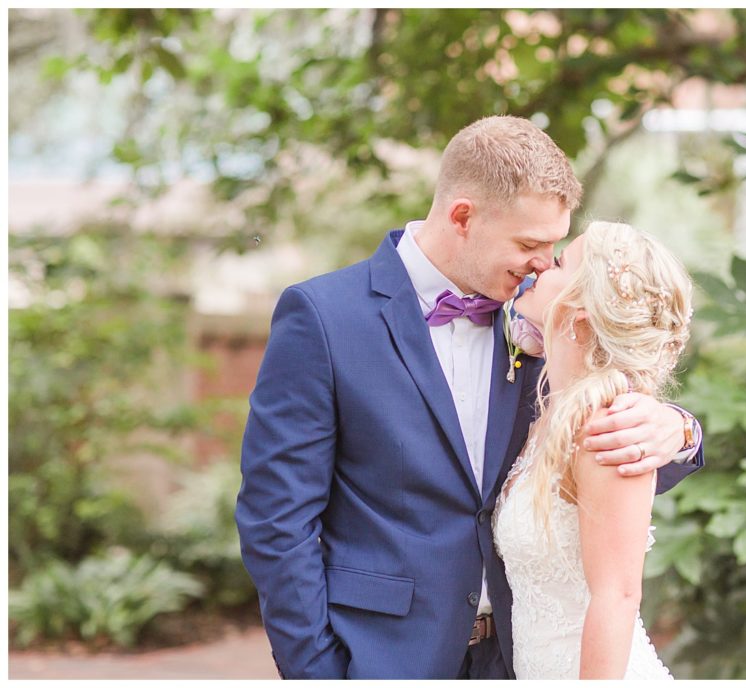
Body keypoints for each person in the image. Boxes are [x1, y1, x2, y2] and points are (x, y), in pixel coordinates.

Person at [235, 116, 703, 680]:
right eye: (530, 244)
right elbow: (276, 522)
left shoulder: (545, 323)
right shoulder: (324, 319)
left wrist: (677, 429)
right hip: (384, 659)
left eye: (555, 247)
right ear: (463, 216)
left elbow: (596, 469)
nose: (543, 266)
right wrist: (318, 673)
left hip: (518, 658)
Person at [493, 220, 695, 679]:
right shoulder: (549, 413)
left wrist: (683, 429)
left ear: (579, 310)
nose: (542, 265)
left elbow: (617, 596)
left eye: (561, 263)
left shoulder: (608, 427)